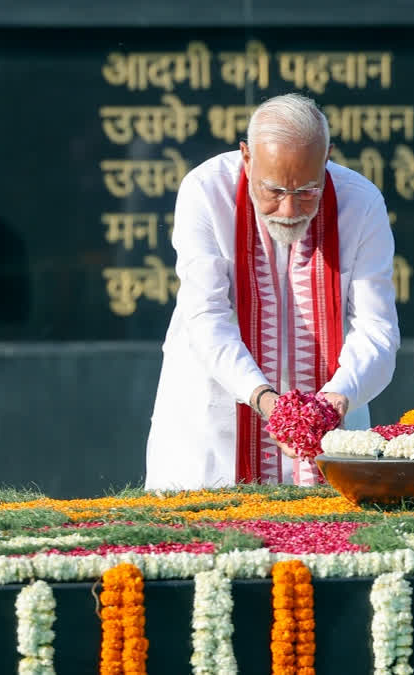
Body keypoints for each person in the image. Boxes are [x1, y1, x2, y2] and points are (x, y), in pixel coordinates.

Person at [144, 93, 400, 491]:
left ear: (327, 157)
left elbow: (377, 329)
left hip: (329, 426)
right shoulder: (205, 191)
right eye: (274, 191)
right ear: (246, 157)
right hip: (215, 428)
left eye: (307, 191)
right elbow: (205, 316)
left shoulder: (361, 203)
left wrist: (335, 400)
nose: (288, 209)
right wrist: (266, 400)